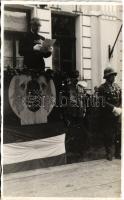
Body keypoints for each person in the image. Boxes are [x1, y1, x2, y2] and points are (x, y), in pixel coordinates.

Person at [98, 67, 121, 161]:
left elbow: (121, 99)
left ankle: (118, 153)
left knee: (119, 134)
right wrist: (113, 108)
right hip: (107, 115)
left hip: (117, 114)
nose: (114, 77)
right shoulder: (102, 88)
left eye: (114, 75)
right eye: (112, 75)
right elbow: (102, 101)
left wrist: (119, 108)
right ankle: (109, 153)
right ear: (107, 77)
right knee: (108, 135)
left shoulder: (117, 87)